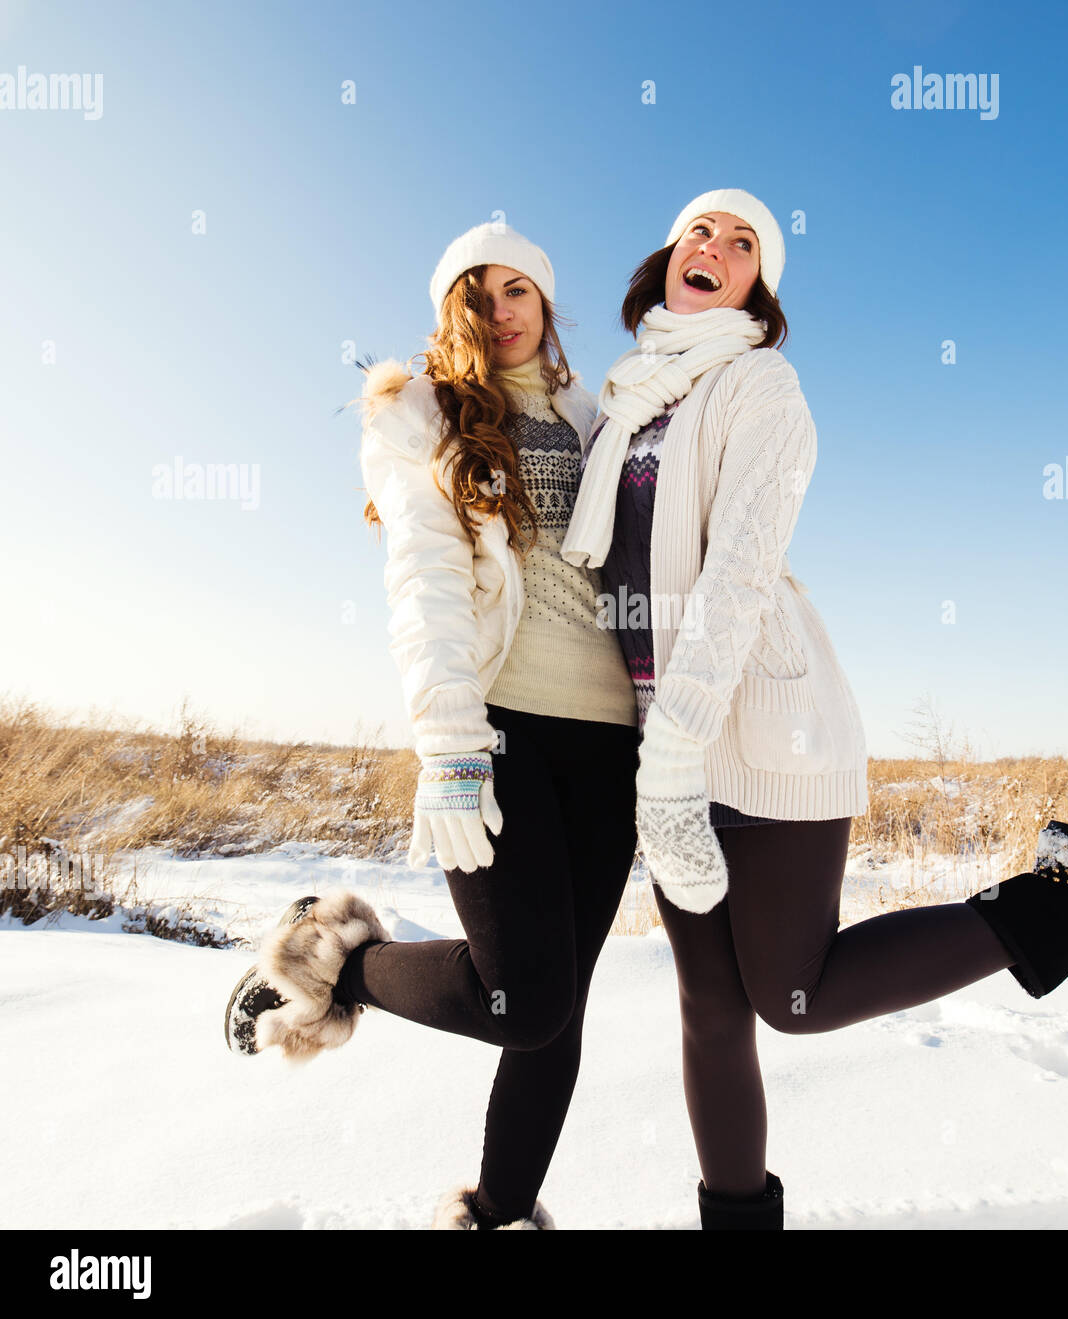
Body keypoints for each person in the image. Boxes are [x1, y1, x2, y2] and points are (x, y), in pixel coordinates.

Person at [559, 188, 1068, 1230]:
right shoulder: (616, 404)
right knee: (705, 1005)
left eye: (745, 244)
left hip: (759, 730)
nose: (718, 247)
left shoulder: (759, 385)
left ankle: (1066, 898)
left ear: (756, 287)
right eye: (703, 229)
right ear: (667, 256)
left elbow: (739, 572)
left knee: (791, 998)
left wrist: (679, 744)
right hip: (660, 746)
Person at [223, 222, 643, 1230]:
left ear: (546, 305)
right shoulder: (427, 415)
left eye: (517, 290)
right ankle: (336, 959)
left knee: (559, 1010)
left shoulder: (606, 417)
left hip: (612, 741)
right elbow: (426, 583)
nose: (500, 309)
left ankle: (495, 1210)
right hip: (499, 727)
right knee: (525, 999)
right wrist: (452, 743)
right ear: (453, 312)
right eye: (477, 294)